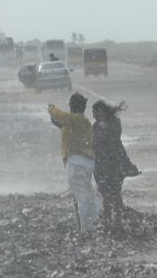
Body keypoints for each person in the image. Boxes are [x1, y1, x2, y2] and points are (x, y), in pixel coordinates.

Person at [48, 93, 100, 230]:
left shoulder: (73, 118)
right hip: (87, 162)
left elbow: (57, 114)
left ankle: (86, 228)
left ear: (72, 106)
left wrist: (50, 107)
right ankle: (94, 222)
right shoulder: (84, 121)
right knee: (88, 194)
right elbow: (70, 130)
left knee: (82, 197)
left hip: (76, 162)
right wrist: (60, 125)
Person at [91, 99, 135, 231]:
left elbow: (112, 139)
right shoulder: (96, 126)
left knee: (115, 192)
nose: (94, 115)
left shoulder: (114, 123)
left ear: (102, 111)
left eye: (95, 112)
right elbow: (95, 144)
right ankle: (108, 220)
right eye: (93, 113)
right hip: (101, 165)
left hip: (114, 163)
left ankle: (117, 220)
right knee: (105, 193)